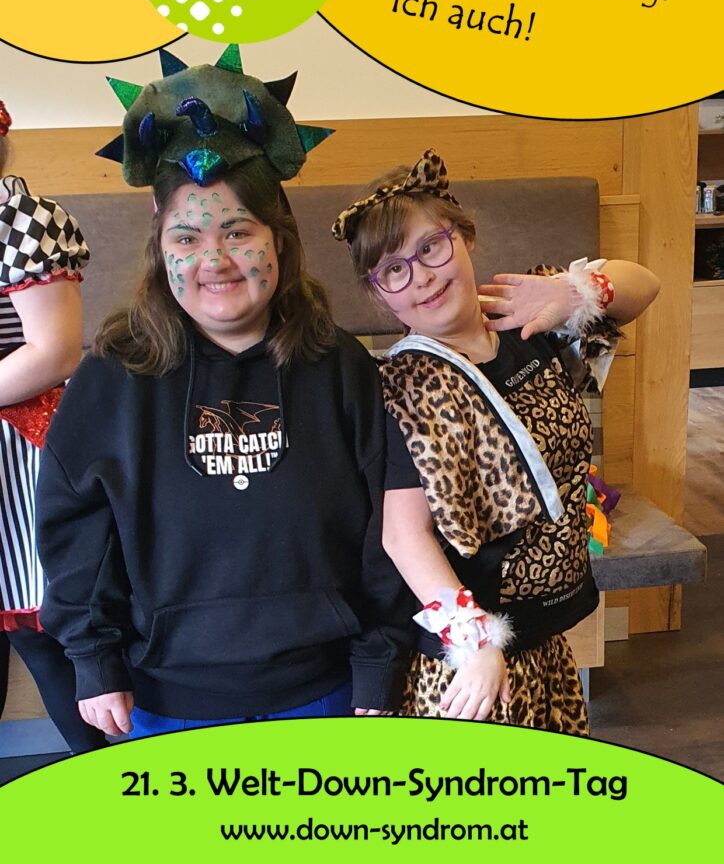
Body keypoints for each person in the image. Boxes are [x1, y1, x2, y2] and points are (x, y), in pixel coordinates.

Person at [36, 48, 412, 739]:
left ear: (279, 240)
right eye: (187, 237)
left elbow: (387, 532)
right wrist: (95, 658)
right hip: (167, 696)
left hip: (326, 688)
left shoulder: (340, 366)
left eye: (238, 232)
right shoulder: (114, 376)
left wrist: (378, 662)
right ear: (162, 250)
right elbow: (76, 530)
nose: (213, 259)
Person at [332, 149, 660, 733]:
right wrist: (473, 638)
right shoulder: (404, 385)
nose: (421, 275)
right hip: (474, 666)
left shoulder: (527, 319)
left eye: (431, 247)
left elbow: (645, 284)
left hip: (546, 642)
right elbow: (403, 535)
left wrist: (572, 292)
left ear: (464, 237)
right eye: (394, 270)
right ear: (380, 294)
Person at [0, 100, 104, 752]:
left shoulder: (20, 219)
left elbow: (55, 351)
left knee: (52, 638)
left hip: (21, 450)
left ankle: (114, 785)